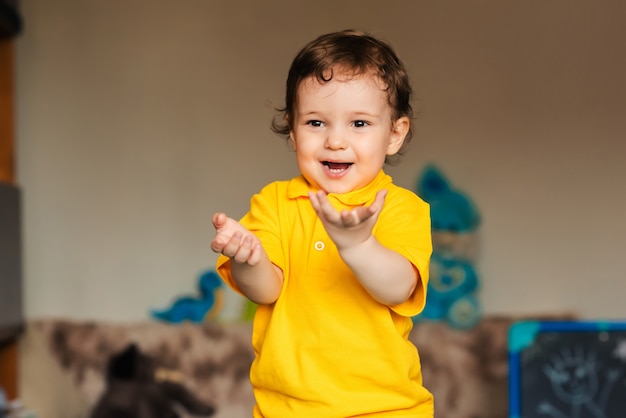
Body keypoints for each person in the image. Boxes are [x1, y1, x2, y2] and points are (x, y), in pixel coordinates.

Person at [211, 29, 433, 417]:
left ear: (395, 134)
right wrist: (248, 259)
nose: (335, 141)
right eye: (316, 123)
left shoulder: (399, 207)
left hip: (383, 410)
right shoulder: (275, 203)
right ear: (293, 131)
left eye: (359, 124)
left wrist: (358, 246)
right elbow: (265, 290)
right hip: (284, 409)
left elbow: (399, 288)